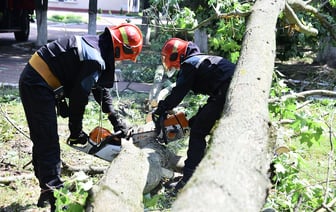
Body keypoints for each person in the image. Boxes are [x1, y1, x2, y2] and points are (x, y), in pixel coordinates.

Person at [19, 23, 143, 210]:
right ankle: (56, 197)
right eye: (122, 57)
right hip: (36, 83)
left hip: (42, 80)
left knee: (43, 138)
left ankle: (46, 192)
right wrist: (76, 131)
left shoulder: (97, 47)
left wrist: (116, 120)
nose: (120, 61)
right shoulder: (94, 58)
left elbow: (99, 89)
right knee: (48, 140)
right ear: (119, 48)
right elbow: (79, 99)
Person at [152, 38, 236, 193]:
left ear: (175, 55)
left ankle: (189, 179)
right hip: (224, 91)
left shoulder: (190, 64)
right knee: (195, 122)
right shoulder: (200, 60)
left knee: (198, 132)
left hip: (227, 91)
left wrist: (161, 109)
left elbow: (178, 93)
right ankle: (202, 171)